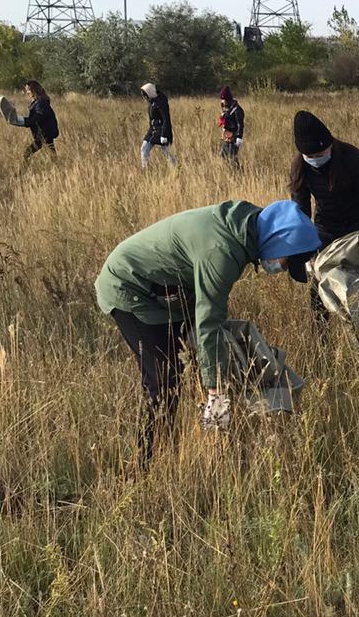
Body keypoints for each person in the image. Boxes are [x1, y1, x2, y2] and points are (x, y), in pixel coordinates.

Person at [95, 199, 320, 467]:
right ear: (278, 241)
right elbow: (209, 321)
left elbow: (209, 312)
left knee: (191, 363)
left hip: (172, 293)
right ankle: (144, 463)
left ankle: (182, 445)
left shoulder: (245, 230)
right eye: (286, 262)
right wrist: (216, 391)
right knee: (165, 380)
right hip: (131, 287)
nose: (282, 269)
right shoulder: (222, 251)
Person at [290, 110, 359, 323]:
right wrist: (304, 248)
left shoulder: (351, 156)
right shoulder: (300, 167)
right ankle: (321, 338)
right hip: (325, 229)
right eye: (310, 156)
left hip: (358, 231)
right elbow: (301, 208)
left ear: (330, 143)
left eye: (320, 153)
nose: (315, 159)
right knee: (318, 289)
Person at [16, 80, 60, 162]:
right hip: (46, 134)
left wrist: (23, 121)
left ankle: (22, 172)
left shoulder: (41, 103)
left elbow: (37, 118)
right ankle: (58, 170)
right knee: (53, 156)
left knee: (27, 153)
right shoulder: (39, 102)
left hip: (44, 135)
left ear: (34, 90)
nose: (27, 92)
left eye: (28, 90)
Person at [140, 83, 178, 168]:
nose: (144, 98)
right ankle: (145, 170)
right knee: (144, 149)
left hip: (162, 131)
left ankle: (176, 168)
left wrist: (164, 135)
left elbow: (166, 119)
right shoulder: (152, 103)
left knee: (166, 152)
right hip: (153, 131)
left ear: (149, 93)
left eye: (144, 95)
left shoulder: (161, 102)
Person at [217, 86, 245, 167]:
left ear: (228, 99)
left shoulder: (237, 110)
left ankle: (238, 172)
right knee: (222, 154)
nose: (223, 101)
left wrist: (239, 138)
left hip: (234, 137)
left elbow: (240, 125)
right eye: (222, 99)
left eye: (224, 99)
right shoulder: (226, 108)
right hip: (227, 136)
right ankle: (229, 171)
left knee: (232, 157)